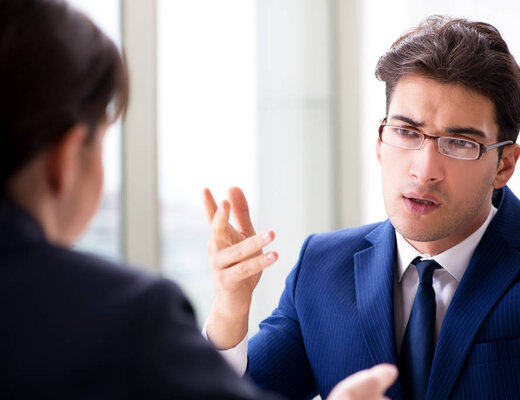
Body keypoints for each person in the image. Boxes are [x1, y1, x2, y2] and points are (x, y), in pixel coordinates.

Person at [0, 0, 398, 398]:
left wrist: (229, 306)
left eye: (458, 142)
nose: (424, 169)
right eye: (102, 143)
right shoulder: (126, 315)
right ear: (65, 160)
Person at [203, 15, 520, 400]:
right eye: (406, 132)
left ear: (504, 165)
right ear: (379, 142)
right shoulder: (322, 267)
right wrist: (229, 311)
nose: (424, 171)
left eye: (460, 143)